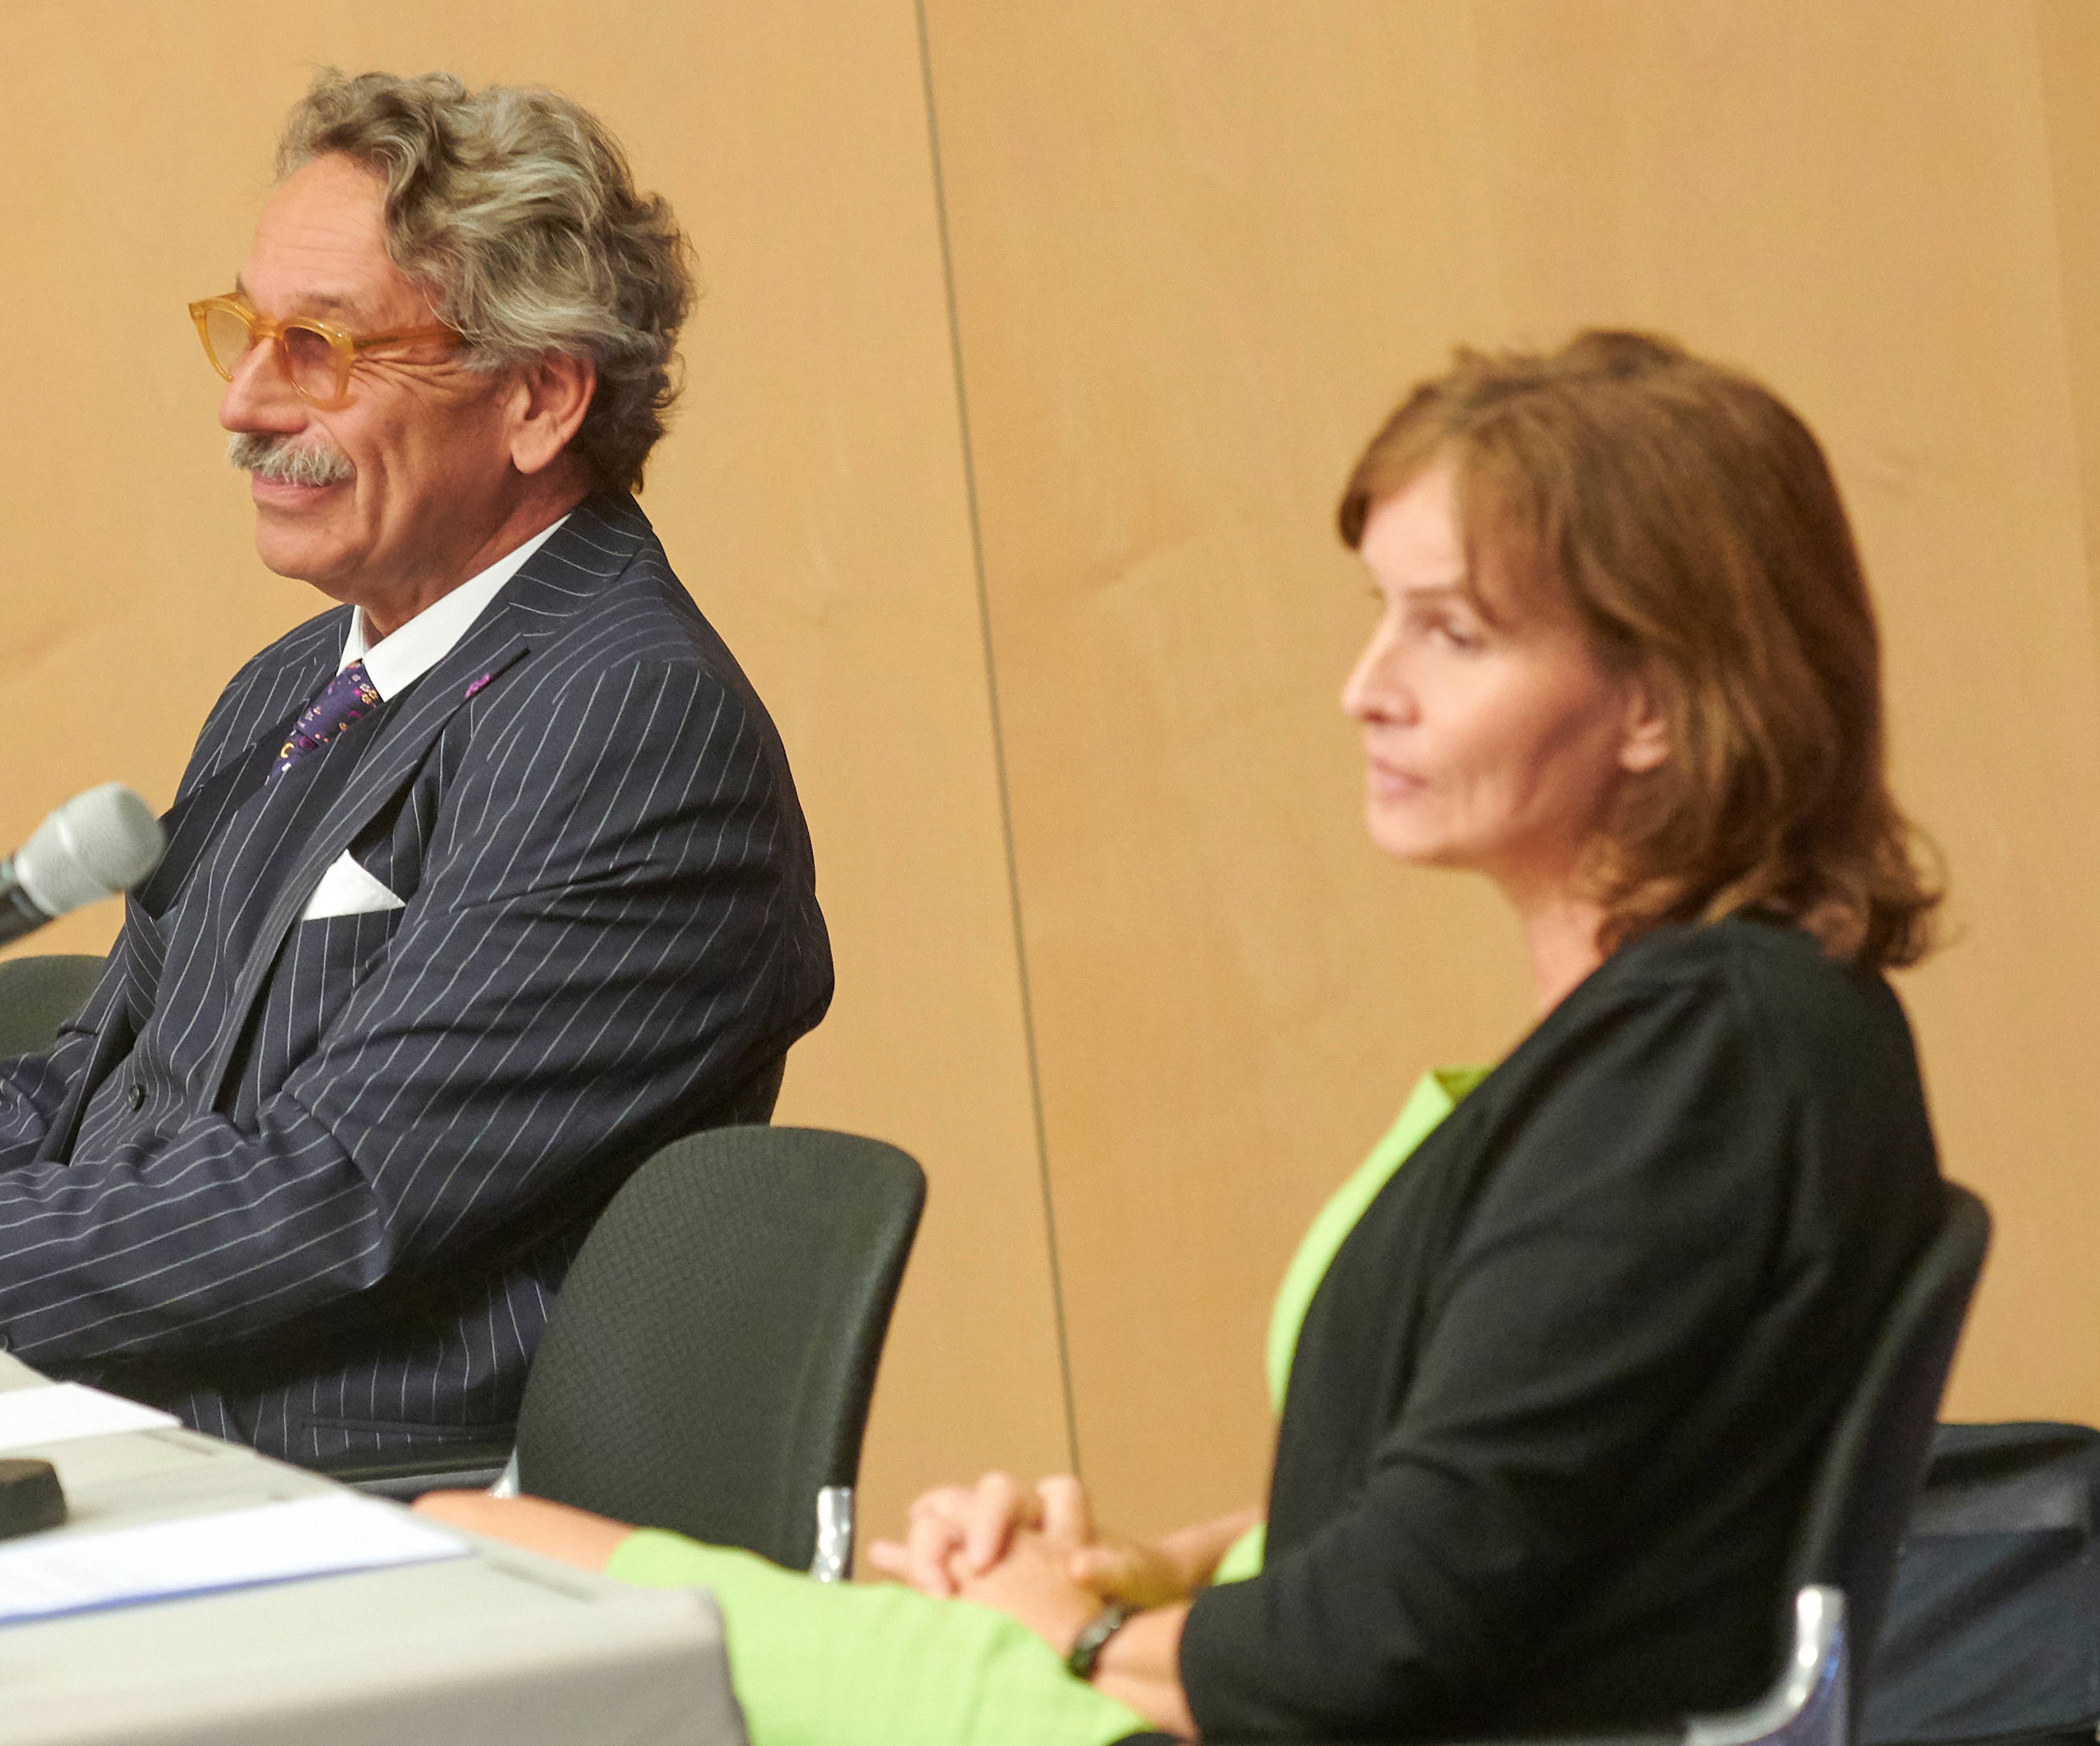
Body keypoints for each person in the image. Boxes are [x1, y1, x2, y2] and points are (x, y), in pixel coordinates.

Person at [419, 329, 1946, 1743]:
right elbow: (1498, 1529)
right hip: (1238, 1699)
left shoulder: (1696, 1069)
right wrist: (1146, 1575)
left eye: (1451, 635)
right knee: (485, 1554)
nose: (1366, 691)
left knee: (480, 1553)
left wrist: (1082, 1637)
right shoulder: (1713, 1038)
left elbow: (1393, 1637)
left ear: (1657, 699)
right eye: (1380, 618)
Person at [0, 71, 833, 1471]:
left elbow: (325, 1199)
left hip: (354, 1496)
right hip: (128, 1423)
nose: (244, 402)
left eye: (320, 348)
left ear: (539, 398)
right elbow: (81, 1104)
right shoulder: (297, 682)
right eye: (246, 332)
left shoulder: (628, 722)